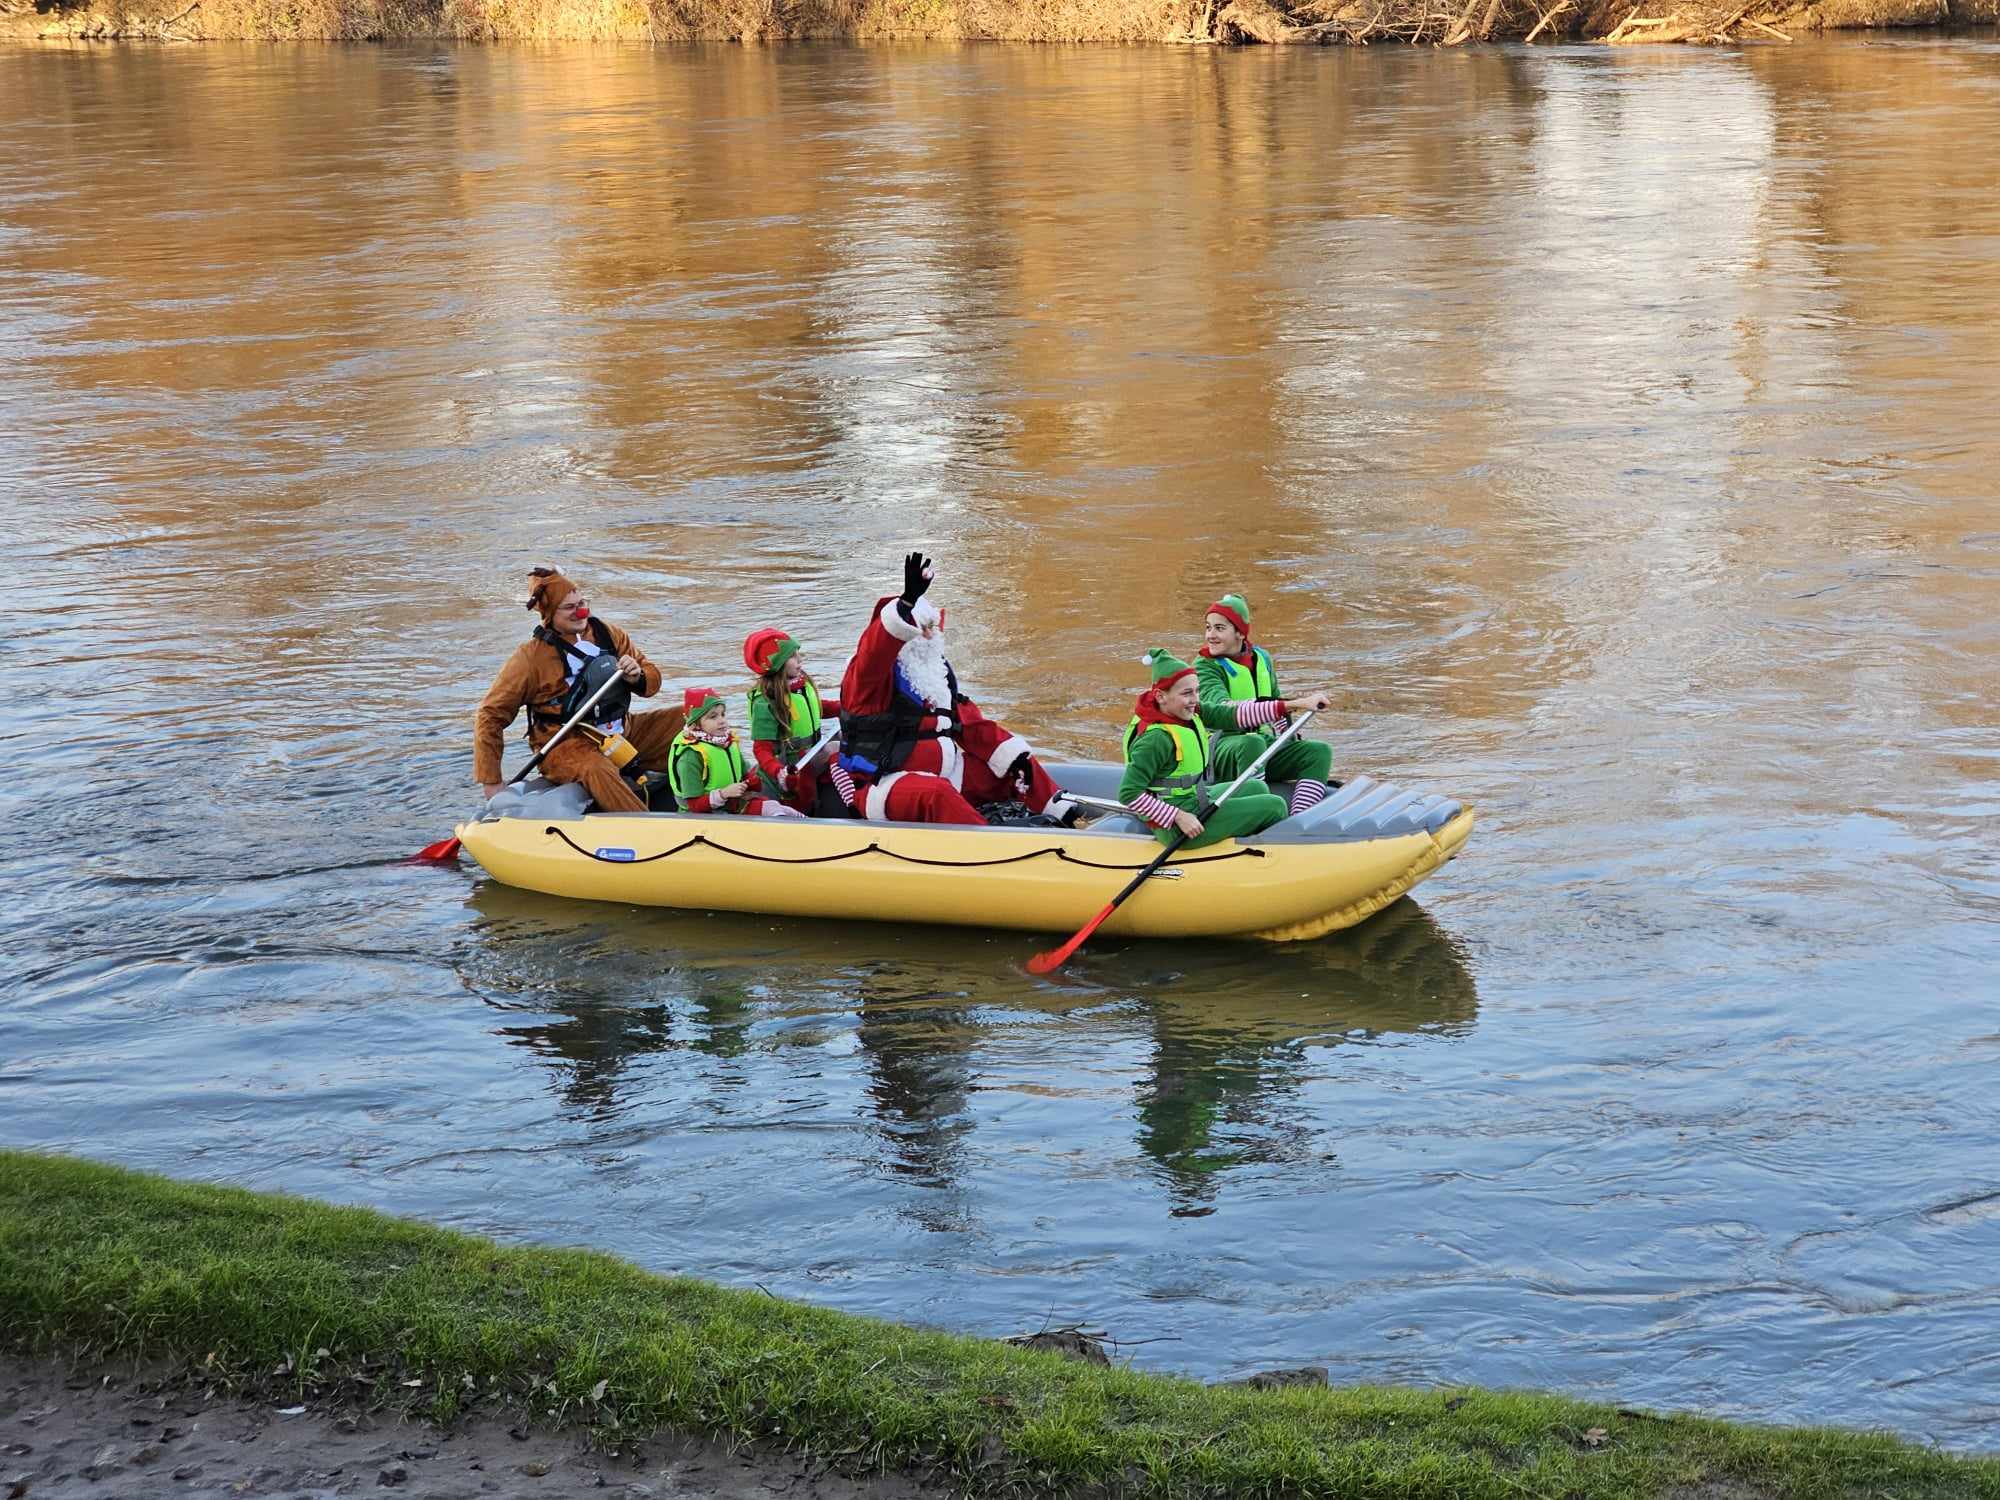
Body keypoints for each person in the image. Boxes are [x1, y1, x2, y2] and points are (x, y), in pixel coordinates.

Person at [837, 553, 1079, 827]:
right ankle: (996, 847)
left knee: (1013, 769)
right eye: (922, 628)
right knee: (936, 793)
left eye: (932, 628)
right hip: (885, 783)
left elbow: (975, 727)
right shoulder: (868, 678)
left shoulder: (936, 677)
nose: (929, 636)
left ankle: (1066, 821)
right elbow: (874, 652)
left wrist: (1017, 760)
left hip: (947, 773)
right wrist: (905, 603)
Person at [474, 568, 683, 813]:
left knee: (687, 719)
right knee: (596, 768)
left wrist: (637, 675)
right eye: (569, 607)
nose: (580, 612)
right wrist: (492, 781)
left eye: (582, 603)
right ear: (551, 613)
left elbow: (651, 682)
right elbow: (490, 715)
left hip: (620, 731)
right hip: (565, 744)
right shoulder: (529, 658)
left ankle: (726, 801)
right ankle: (647, 828)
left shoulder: (609, 634)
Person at [1118, 649, 1293, 849]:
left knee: (1257, 787)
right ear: (1160, 696)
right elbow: (1129, 794)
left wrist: (1291, 706)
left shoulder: (1187, 713)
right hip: (1177, 825)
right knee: (1275, 806)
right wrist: (1179, 817)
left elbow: (1234, 714)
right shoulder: (1156, 738)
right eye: (1186, 693)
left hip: (1192, 798)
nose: (1194, 699)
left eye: (1197, 690)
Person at [1195, 592, 1337, 818]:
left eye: (1219, 628)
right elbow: (1226, 711)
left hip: (1259, 742)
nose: (1210, 635)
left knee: (1318, 751)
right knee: (1252, 743)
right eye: (1208, 627)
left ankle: (1298, 820)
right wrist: (1296, 703)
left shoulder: (1262, 658)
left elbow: (1276, 704)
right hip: (1219, 749)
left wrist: (1288, 740)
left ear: (1240, 633)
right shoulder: (1205, 666)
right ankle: (1260, 813)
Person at [743, 629, 858, 817]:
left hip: (811, 753)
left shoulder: (800, 685)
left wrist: (845, 707)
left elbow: (815, 709)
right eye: (793, 656)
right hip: (792, 766)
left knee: (842, 739)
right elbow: (761, 749)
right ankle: (853, 805)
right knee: (835, 748)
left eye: (798, 653)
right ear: (778, 664)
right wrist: (778, 771)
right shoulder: (765, 703)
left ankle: (853, 796)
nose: (800, 659)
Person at [669, 689, 806, 818]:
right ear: (696, 725)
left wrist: (754, 781)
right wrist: (724, 794)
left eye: (723, 714)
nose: (721, 720)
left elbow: (748, 776)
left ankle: (809, 829)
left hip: (731, 804)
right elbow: (694, 806)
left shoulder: (728, 742)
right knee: (772, 810)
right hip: (707, 816)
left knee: (780, 808)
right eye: (713, 717)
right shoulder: (690, 756)